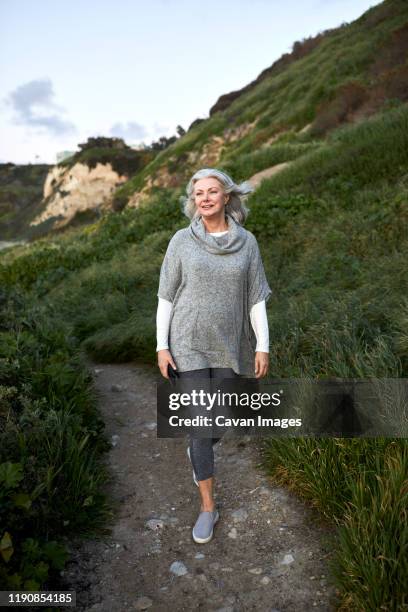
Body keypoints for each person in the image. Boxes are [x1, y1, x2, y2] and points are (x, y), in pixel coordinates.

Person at [156, 168, 272, 544]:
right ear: (194, 202)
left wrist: (262, 344)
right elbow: (166, 297)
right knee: (201, 427)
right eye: (198, 193)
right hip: (187, 343)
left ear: (226, 197)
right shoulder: (181, 241)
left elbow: (256, 297)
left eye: (212, 191)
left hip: (229, 344)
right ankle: (208, 507)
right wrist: (162, 345)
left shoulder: (247, 243)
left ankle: (198, 447)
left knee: (222, 419)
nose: (204, 198)